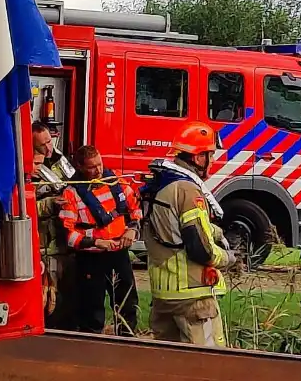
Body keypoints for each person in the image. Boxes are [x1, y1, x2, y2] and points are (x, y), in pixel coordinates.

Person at [139, 121, 235, 347]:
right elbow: (200, 248)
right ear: (199, 158)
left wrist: (216, 231)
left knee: (169, 365)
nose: (212, 161)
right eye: (210, 155)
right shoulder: (188, 190)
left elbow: (172, 227)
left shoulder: (161, 185)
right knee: (210, 364)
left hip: (164, 295)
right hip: (192, 296)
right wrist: (227, 258)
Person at [58, 145, 142, 336]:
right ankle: (91, 344)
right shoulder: (71, 194)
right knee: (91, 307)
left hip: (118, 253)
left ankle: (128, 337)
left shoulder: (116, 183)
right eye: (92, 167)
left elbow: (135, 210)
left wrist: (132, 230)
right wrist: (96, 242)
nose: (98, 170)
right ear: (79, 167)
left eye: (100, 164)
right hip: (91, 259)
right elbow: (69, 236)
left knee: (127, 303)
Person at [30, 149, 77, 330]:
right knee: (47, 298)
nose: (39, 168)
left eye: (50, 141)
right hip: (42, 249)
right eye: (35, 163)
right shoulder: (19, 177)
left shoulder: (59, 166)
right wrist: (49, 203)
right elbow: (21, 208)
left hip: (62, 247)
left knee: (63, 297)